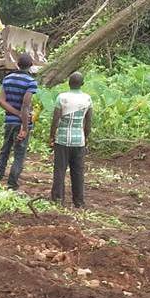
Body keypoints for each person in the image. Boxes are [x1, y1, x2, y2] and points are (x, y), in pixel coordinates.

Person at [0, 53, 37, 189]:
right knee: (19, 154)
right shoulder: (31, 82)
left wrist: (15, 113)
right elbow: (26, 105)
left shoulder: (7, 79)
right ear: (30, 66)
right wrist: (24, 127)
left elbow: (1, 101)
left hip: (9, 121)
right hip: (22, 122)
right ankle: (12, 184)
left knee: (5, 151)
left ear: (17, 64)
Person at [49, 71, 93, 208]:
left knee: (60, 170)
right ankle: (79, 202)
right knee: (78, 171)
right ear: (82, 84)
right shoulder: (87, 99)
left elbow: (55, 119)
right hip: (78, 140)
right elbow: (89, 122)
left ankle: (57, 199)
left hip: (62, 139)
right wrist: (85, 138)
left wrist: (51, 136)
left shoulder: (61, 98)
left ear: (68, 83)